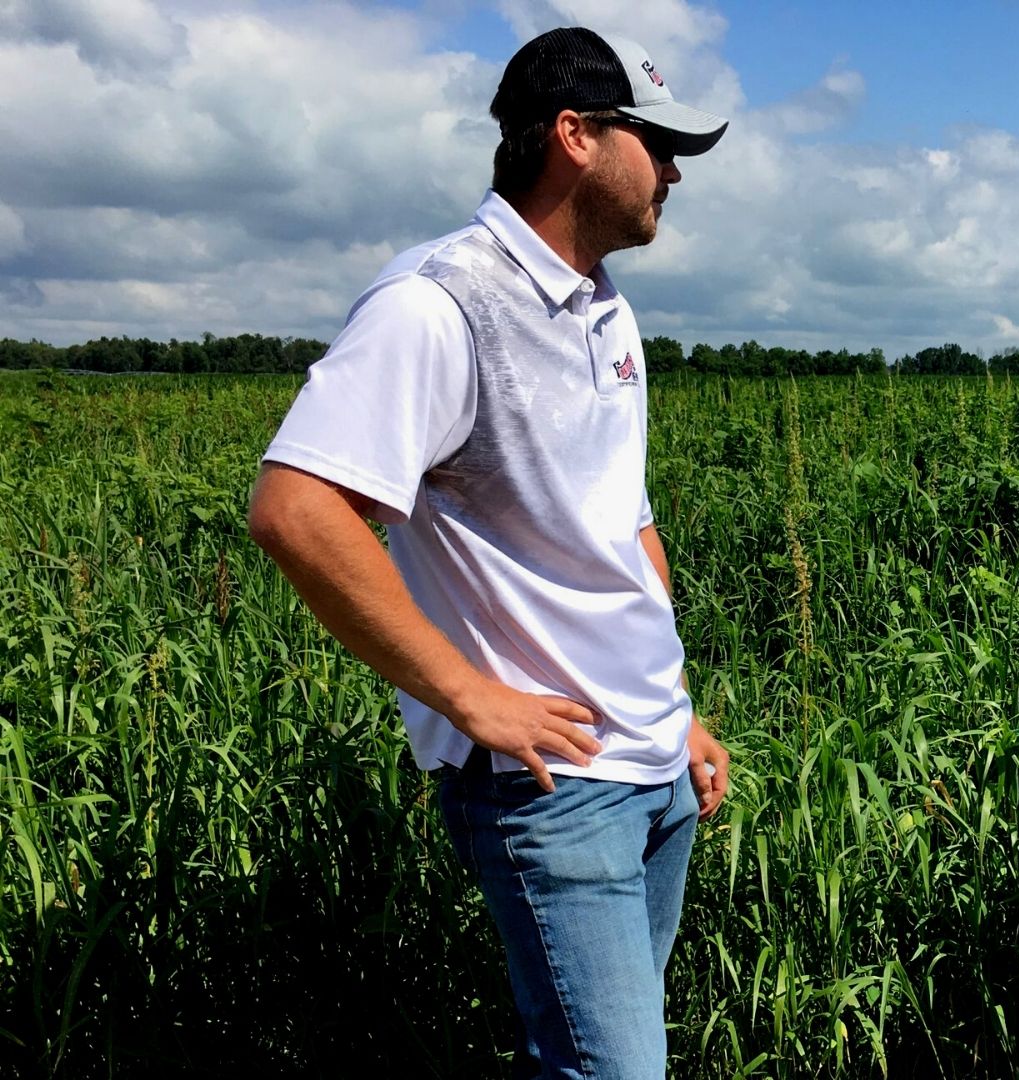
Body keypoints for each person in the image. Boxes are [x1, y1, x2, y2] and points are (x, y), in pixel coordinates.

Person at [247, 26, 732, 1078]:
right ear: (577, 137)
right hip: (553, 788)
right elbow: (296, 509)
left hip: (654, 772)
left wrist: (678, 704)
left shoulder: (609, 312)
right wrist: (471, 697)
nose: (677, 169)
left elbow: (621, 520)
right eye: (658, 142)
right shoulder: (437, 303)